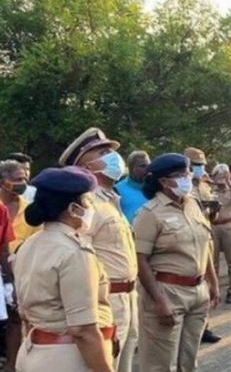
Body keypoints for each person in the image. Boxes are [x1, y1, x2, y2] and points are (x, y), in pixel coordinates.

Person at [14, 167, 115, 372]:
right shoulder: (74, 252)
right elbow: (83, 331)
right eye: (88, 202)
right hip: (68, 356)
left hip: (35, 351)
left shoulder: (30, 244)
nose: (91, 208)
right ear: (73, 209)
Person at [59, 128, 138, 372]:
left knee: (123, 364)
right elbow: (77, 252)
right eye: (104, 153)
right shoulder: (86, 203)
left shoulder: (109, 198)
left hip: (128, 297)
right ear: (86, 165)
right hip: (105, 299)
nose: (114, 157)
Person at [133, 153, 219, 372]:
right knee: (160, 364)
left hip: (198, 292)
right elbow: (140, 260)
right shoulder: (149, 214)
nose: (187, 178)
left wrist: (213, 283)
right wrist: (160, 301)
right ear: (163, 181)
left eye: (187, 173)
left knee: (188, 361)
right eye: (180, 175)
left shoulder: (193, 204)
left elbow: (204, 245)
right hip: (168, 292)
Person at [0, 159, 40, 370]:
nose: (22, 183)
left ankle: (12, 365)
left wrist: (12, 281)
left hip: (21, 273)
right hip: (4, 272)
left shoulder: (30, 211)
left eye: (24, 178)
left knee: (16, 319)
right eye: (16, 179)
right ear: (3, 182)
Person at [183, 147, 221, 344]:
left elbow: (210, 214)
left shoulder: (205, 184)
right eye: (196, 165)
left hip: (206, 237)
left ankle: (204, 326)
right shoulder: (183, 187)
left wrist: (214, 209)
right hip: (188, 241)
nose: (200, 168)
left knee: (207, 281)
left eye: (202, 165)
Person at [209, 164, 231, 304]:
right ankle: (214, 290)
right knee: (213, 261)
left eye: (224, 175)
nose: (221, 178)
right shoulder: (210, 191)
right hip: (214, 227)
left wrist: (228, 182)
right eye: (219, 175)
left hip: (229, 226)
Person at [115, 151, 150, 224]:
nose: (148, 169)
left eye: (149, 165)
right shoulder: (117, 190)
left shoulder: (156, 188)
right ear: (133, 168)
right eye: (143, 166)